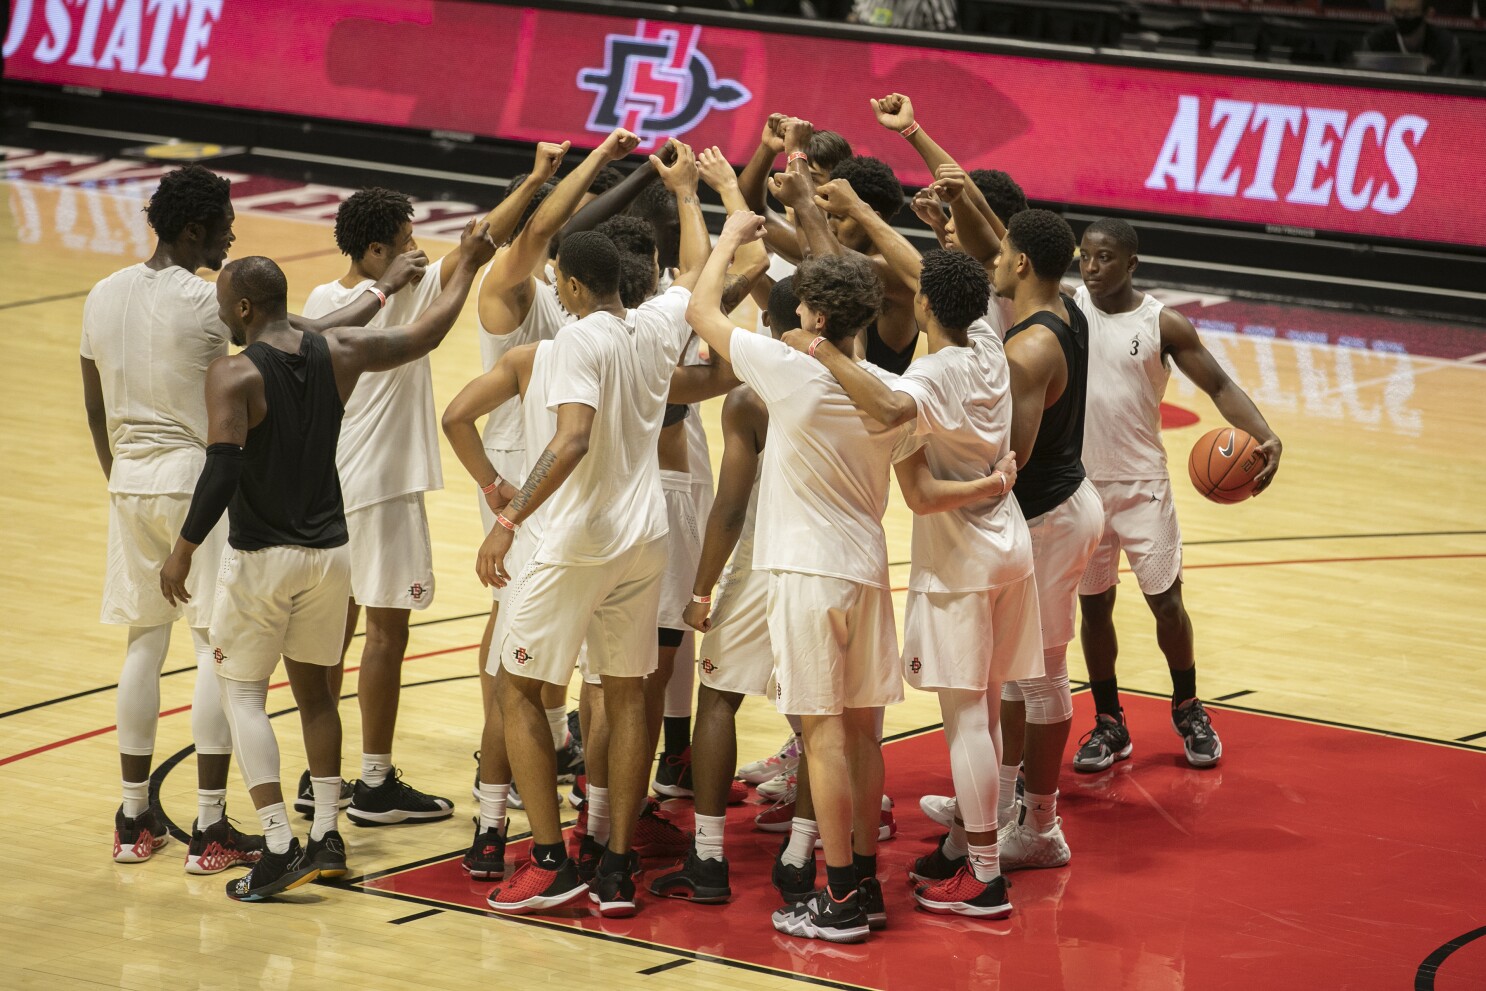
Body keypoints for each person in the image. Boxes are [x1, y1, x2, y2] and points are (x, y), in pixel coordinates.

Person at [80, 164, 415, 871]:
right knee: (213, 650)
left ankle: (133, 816)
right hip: (194, 477)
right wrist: (384, 292)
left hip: (129, 480)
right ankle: (209, 825)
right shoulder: (211, 301)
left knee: (143, 642)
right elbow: (313, 332)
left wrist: (119, 477)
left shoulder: (101, 293)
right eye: (225, 224)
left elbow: (92, 399)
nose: (232, 237)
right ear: (194, 228)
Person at [158, 220, 499, 901]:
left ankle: (281, 841)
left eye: (226, 304)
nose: (222, 313)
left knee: (244, 693)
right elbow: (423, 334)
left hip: (261, 557)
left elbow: (222, 471)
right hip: (330, 554)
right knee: (318, 696)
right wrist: (468, 267)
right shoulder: (329, 349)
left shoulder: (231, 373)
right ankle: (330, 835)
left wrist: (184, 549)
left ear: (246, 309)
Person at [477, 142, 710, 919]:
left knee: (517, 684)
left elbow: (570, 440)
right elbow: (702, 275)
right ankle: (614, 865)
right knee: (626, 691)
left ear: (573, 285)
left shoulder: (576, 337)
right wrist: (685, 193)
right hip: (646, 538)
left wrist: (509, 517)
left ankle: (548, 860)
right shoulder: (655, 325)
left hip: (582, 536)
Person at [780, 231, 1037, 918]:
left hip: (962, 558)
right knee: (986, 707)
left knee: (969, 721)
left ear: (924, 305)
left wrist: (820, 346)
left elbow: (895, 424)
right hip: (1013, 548)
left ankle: (984, 875)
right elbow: (933, 275)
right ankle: (971, 848)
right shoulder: (988, 342)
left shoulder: (922, 381)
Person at [685, 209, 913, 944]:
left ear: (812, 315)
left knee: (822, 738)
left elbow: (699, 310)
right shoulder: (886, 386)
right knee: (862, 735)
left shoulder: (788, 372)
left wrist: (725, 238)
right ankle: (866, 885)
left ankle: (840, 897)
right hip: (870, 571)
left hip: (806, 571)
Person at [299, 170, 533, 826]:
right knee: (385, 634)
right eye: (405, 241)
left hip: (325, 486)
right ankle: (373, 780)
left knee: (330, 634)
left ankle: (320, 775)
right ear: (375, 252)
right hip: (381, 488)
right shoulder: (400, 294)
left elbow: (474, 243)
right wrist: (540, 176)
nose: (418, 250)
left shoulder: (320, 299)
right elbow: (481, 242)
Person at [466, 133, 639, 821]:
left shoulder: (570, 300)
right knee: (514, 622)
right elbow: (540, 224)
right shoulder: (508, 286)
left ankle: (549, 735)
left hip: (556, 461)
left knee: (543, 618)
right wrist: (582, 160)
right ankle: (496, 767)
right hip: (518, 464)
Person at [1072, 218, 1281, 772]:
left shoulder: (1162, 323)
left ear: (1132, 263)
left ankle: (1188, 706)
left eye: (1105, 258)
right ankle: (1109, 721)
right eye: (1085, 257)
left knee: (1166, 603)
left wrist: (1265, 435)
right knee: (1094, 608)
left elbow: (1218, 386)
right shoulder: (1068, 309)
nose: (1092, 268)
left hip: (1142, 485)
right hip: (1080, 486)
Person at [648, 278, 799, 905]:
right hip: (843, 567)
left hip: (766, 560)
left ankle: (708, 859)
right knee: (826, 718)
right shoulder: (875, 390)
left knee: (717, 701)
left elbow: (731, 508)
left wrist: (701, 588)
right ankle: (810, 860)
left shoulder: (751, 398)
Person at [980, 208, 1103, 873]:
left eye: (1000, 249)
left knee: (1043, 671)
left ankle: (1042, 825)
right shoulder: (1069, 306)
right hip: (1060, 504)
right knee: (1015, 666)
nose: (992, 257)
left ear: (1021, 262)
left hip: (1050, 514)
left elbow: (1011, 457)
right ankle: (1002, 804)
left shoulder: (1027, 348)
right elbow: (983, 222)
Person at [1362, 1, 1465, 76]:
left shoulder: (1445, 43)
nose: (1402, 17)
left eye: (1410, 13)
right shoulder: (1376, 40)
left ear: (1427, 13)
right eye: (1397, 11)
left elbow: (1450, 86)